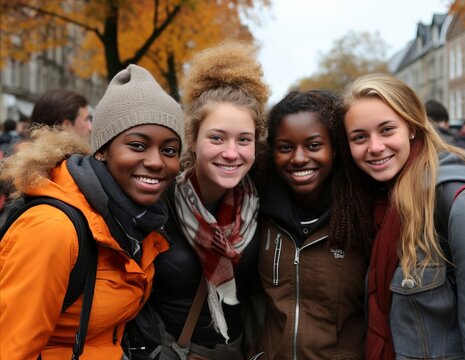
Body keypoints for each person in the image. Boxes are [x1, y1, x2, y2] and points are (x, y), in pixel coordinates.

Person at [0, 64, 184, 359]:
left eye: (170, 150)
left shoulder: (137, 221)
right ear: (101, 150)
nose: (156, 161)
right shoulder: (52, 230)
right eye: (138, 145)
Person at [339, 73, 465, 359]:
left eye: (387, 130)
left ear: (411, 127)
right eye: (359, 137)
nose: (374, 146)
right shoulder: (376, 201)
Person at [125, 41, 269, 360]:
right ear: (193, 138)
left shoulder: (262, 202)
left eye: (243, 140)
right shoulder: (156, 201)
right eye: (217, 138)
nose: (231, 153)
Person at [253, 90, 372, 359]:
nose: (298, 158)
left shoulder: (362, 216)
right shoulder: (259, 212)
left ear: (335, 148)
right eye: (285, 147)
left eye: (313, 145)